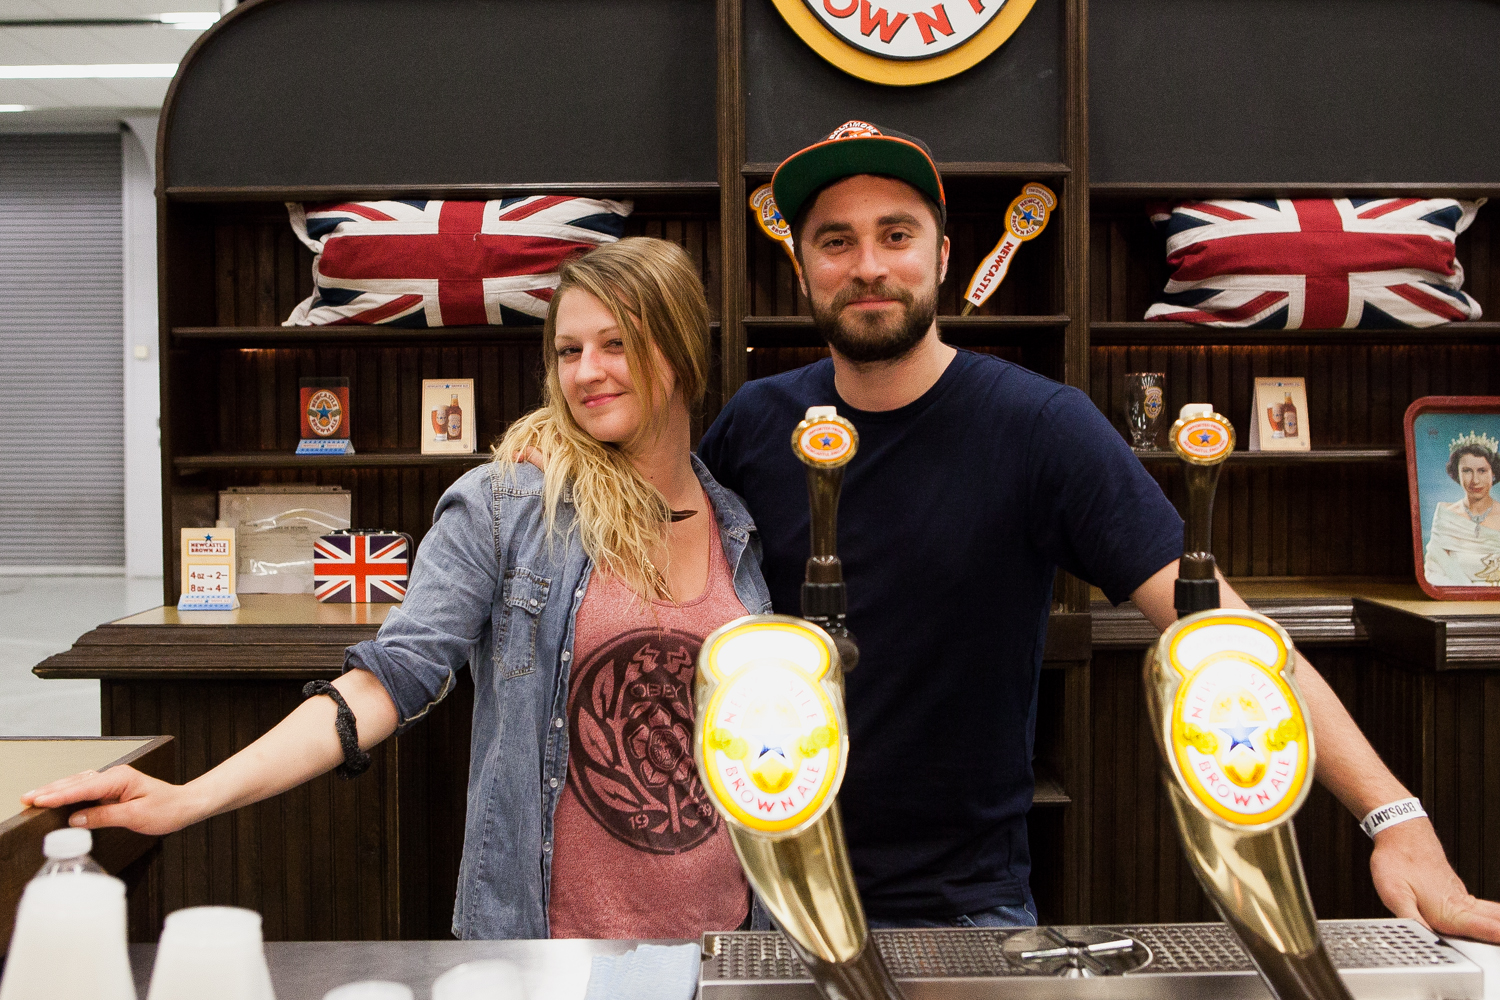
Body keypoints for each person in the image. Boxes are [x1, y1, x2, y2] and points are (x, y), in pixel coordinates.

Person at [698, 120, 1500, 940]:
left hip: (965, 907)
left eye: (895, 235)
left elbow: (1224, 636)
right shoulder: (754, 424)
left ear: (941, 259)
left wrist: (1395, 818)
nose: (867, 264)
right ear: (802, 270)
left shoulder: (1041, 426)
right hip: (764, 891)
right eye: (836, 241)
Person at [24, 237, 774, 942]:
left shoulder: (734, 523)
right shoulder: (507, 504)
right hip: (554, 953)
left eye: (616, 344)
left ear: (677, 352)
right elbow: (389, 679)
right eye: (568, 350)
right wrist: (192, 797)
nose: (585, 372)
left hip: (727, 940)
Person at [1424, 437, 1500, 586]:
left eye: (1482, 471)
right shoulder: (1446, 516)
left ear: (1494, 474)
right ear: (1457, 474)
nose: (1475, 480)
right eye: (1467, 471)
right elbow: (1433, 574)